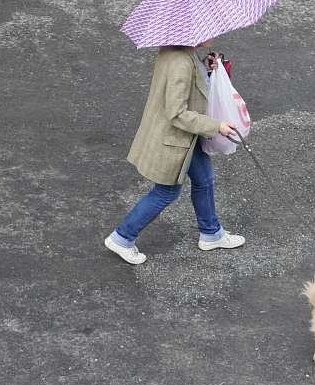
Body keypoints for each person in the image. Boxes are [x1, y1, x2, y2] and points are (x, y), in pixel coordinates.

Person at [104, 41, 245, 265]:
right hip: (174, 140)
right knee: (166, 192)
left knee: (204, 179)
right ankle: (122, 237)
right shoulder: (181, 63)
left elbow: (189, 88)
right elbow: (177, 113)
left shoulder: (177, 52)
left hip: (182, 139)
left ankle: (211, 233)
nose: (212, 36)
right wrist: (216, 126)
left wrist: (205, 69)